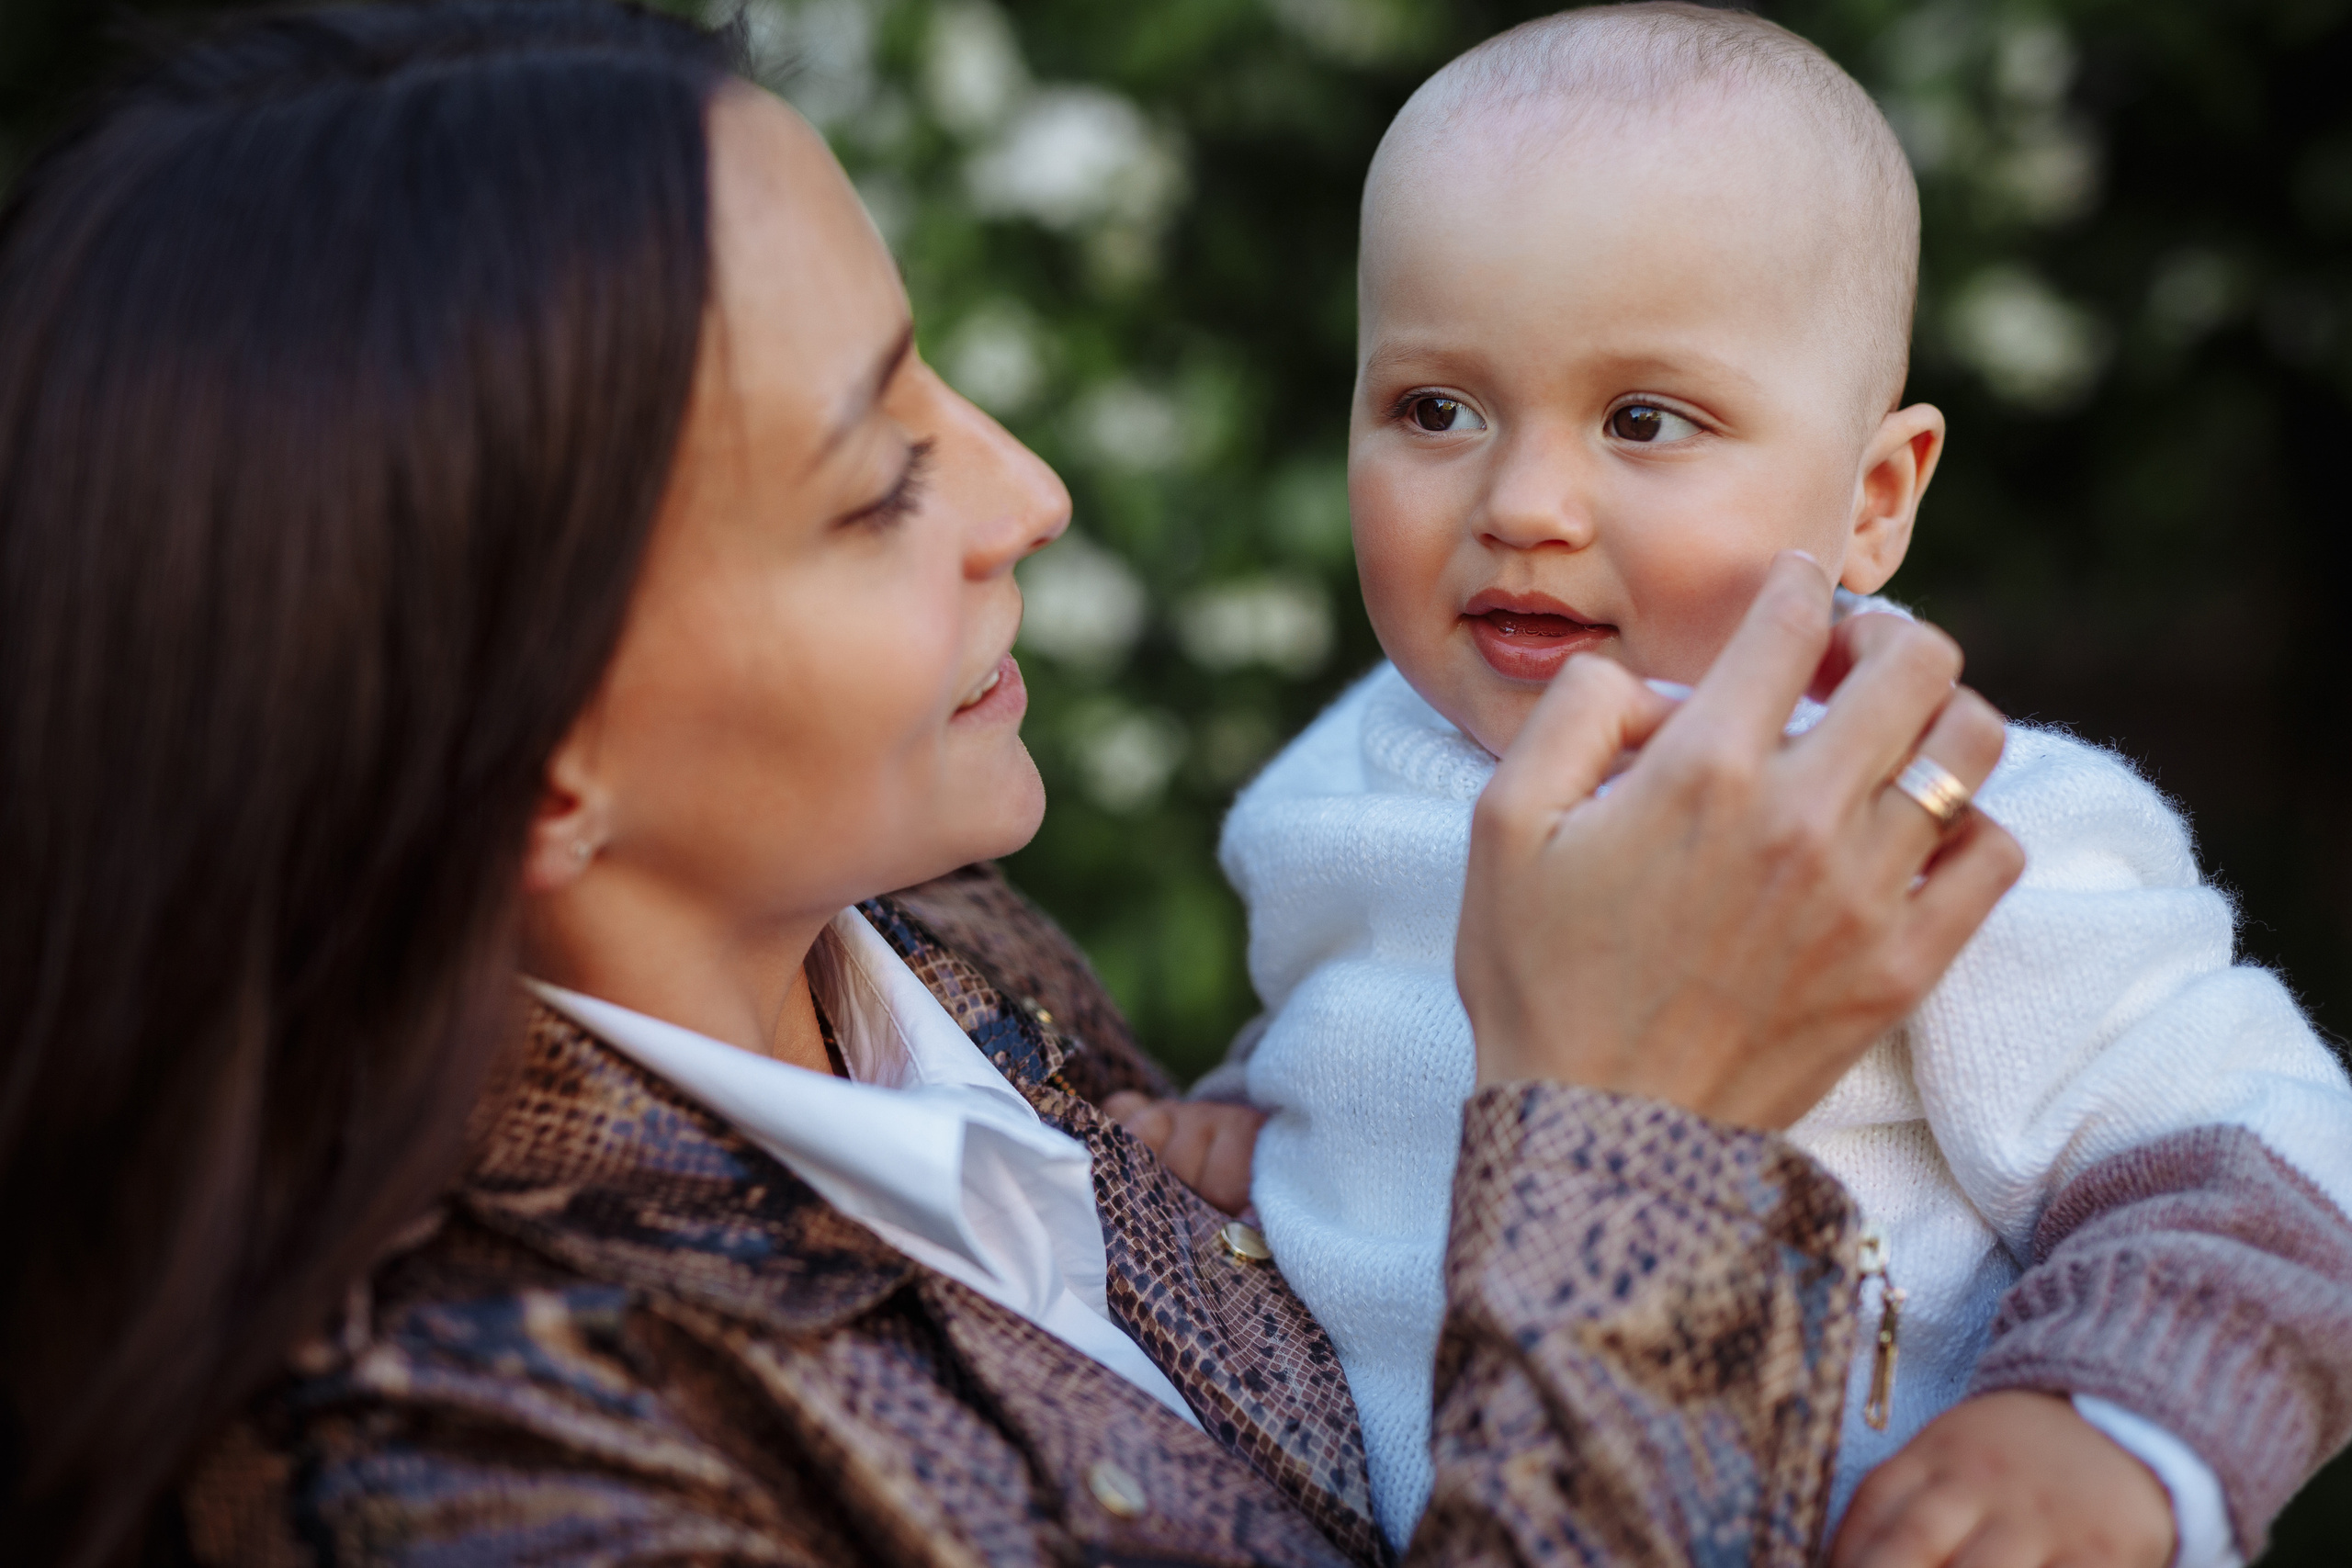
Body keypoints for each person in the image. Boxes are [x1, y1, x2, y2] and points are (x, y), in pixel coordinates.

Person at [0, 6, 2025, 1565]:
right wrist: (1630, 1145)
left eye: (931, 384)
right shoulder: (447, 1463)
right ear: (533, 760)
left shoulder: (936, 956)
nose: (1026, 495)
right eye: (877, 480)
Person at [1114, 6, 2352, 1565]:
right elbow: (1365, 1023)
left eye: (1646, 421)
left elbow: (2261, 1144)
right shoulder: (1350, 761)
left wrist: (2106, 1428)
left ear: (1874, 499)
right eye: (1436, 408)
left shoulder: (1923, 811)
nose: (1524, 503)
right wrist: (1257, 1121)